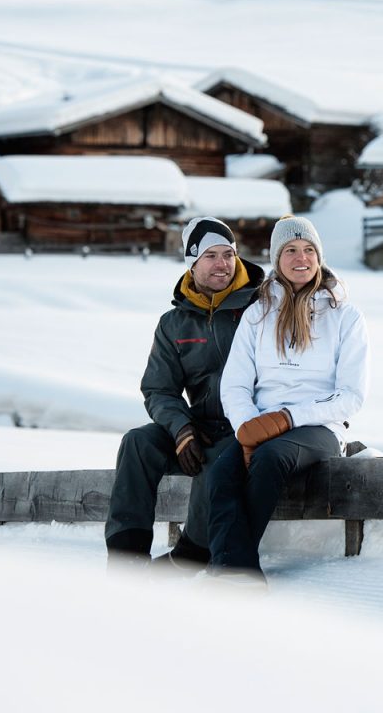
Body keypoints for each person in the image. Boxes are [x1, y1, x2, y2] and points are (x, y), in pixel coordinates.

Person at [207, 214, 369, 582]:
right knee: (222, 471)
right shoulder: (257, 315)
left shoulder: (345, 316)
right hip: (260, 426)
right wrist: (248, 427)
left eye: (309, 250)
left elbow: (352, 396)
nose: (302, 258)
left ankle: (232, 571)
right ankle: (233, 570)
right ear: (276, 259)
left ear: (319, 256)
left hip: (319, 427)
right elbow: (234, 385)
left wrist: (287, 419)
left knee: (271, 458)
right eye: (291, 250)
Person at [105, 216, 265, 568]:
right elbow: (159, 388)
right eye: (210, 256)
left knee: (217, 460)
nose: (222, 264)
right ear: (191, 263)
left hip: (248, 424)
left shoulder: (259, 307)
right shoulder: (174, 323)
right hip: (200, 424)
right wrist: (181, 428)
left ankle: (192, 553)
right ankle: (125, 558)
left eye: (228, 254)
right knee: (137, 442)